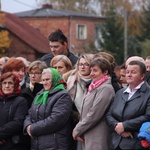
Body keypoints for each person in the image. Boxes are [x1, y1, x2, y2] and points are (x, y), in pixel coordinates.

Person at [24, 68, 73, 150]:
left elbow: (56, 120)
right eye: (43, 80)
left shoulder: (63, 95)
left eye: (47, 79)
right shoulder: (40, 94)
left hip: (55, 144)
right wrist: (27, 126)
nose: (44, 82)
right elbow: (30, 113)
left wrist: (32, 129)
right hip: (37, 143)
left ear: (55, 79)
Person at [106, 60, 150, 150]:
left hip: (136, 143)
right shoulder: (120, 92)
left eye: (133, 72)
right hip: (115, 143)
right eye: (127, 72)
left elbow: (148, 117)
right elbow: (109, 114)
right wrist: (117, 126)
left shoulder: (148, 93)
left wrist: (125, 126)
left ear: (142, 76)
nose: (129, 75)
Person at [72, 57, 115, 150]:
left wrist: (77, 130)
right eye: (91, 70)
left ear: (105, 72)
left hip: (98, 136)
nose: (91, 74)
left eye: (95, 71)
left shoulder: (105, 88)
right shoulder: (94, 87)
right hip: (88, 133)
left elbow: (94, 114)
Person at [67, 53, 94, 150]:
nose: (82, 67)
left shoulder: (97, 82)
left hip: (93, 124)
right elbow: (66, 106)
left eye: (86, 64)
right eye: (80, 64)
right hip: (75, 123)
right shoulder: (71, 81)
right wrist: (77, 116)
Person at [0, 72, 28, 150]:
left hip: (12, 145)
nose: (7, 86)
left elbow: (17, 122)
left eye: (10, 83)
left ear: (15, 85)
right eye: (4, 83)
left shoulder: (20, 101)